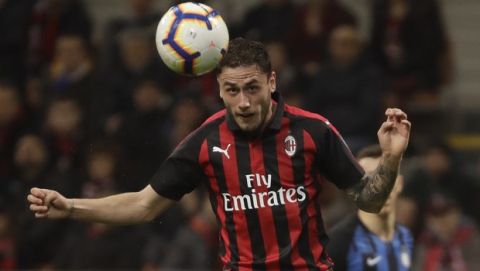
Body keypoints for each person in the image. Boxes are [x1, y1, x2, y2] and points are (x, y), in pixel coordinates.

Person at [27, 37, 411, 270]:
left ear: (271, 82)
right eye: (231, 90)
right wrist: (73, 207)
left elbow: (370, 201)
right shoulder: (205, 141)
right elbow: (144, 205)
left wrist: (391, 159)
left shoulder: (313, 130)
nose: (242, 102)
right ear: (218, 88)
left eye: (252, 88)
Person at [327, 144, 414, 271]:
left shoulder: (405, 236)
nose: (380, 188)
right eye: (369, 179)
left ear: (399, 183)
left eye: (387, 178)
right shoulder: (339, 242)